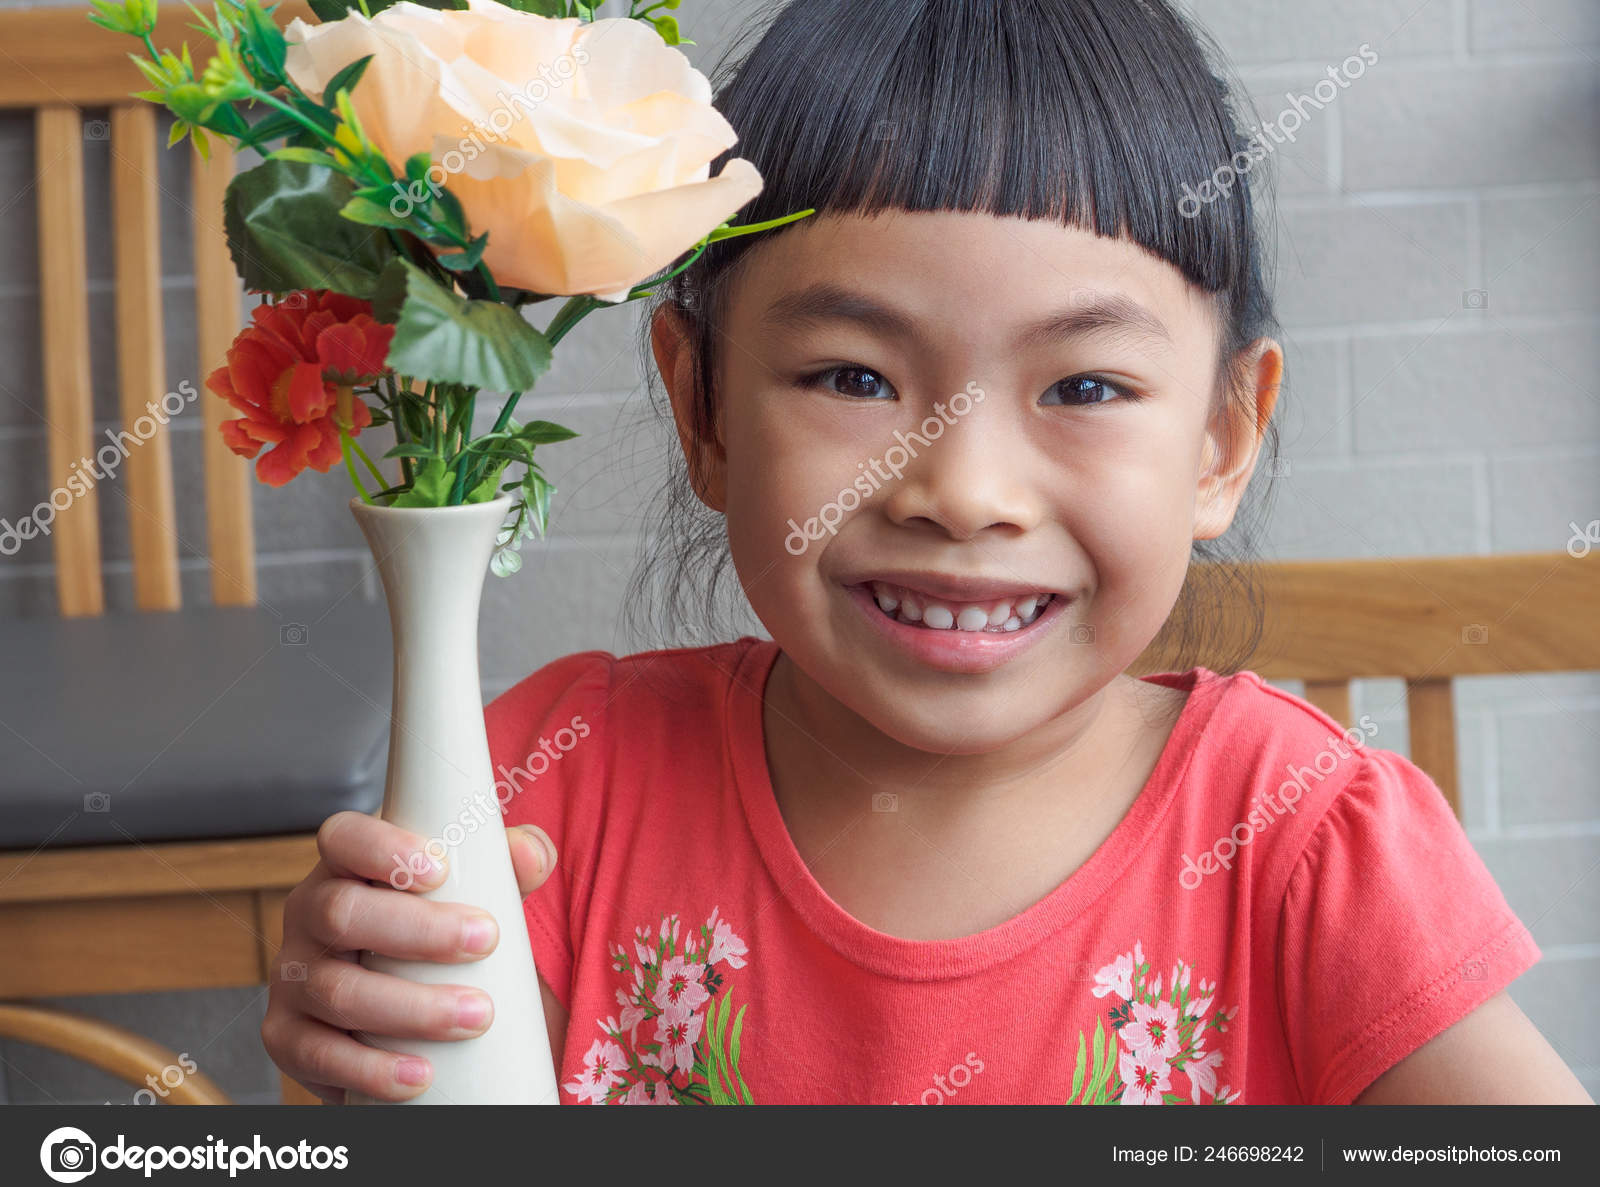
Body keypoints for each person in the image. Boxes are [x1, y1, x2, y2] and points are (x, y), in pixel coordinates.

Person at [262, 0, 1590, 1105]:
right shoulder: (552, 799)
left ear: (1222, 439)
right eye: (851, 374)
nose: (962, 490)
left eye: (1083, 389)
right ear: (703, 407)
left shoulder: (1307, 843)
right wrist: (367, 1026)